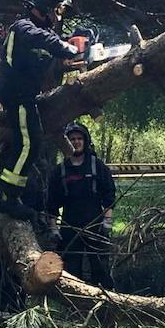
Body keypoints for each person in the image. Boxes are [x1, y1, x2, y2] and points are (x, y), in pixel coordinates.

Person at [0, 0, 82, 220]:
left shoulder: (45, 33)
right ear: (46, 6)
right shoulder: (22, 28)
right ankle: (7, 197)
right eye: (58, 8)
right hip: (16, 96)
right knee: (28, 143)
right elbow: (47, 42)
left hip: (27, 96)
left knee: (32, 143)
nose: (58, 14)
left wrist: (78, 45)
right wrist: (68, 48)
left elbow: (53, 47)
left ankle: (14, 195)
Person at [47, 122, 115, 288]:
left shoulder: (97, 166)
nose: (76, 142)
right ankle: (74, 306)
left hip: (95, 224)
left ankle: (105, 303)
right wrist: (53, 228)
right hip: (70, 226)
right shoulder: (60, 171)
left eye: (79, 139)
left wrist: (108, 221)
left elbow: (109, 195)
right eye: (72, 139)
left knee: (100, 267)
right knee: (71, 271)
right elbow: (52, 203)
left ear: (85, 141)